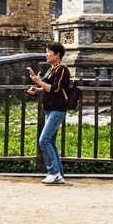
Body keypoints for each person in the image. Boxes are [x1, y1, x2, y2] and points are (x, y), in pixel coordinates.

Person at [27, 41, 70, 185]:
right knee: (50, 141)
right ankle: (59, 175)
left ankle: (53, 172)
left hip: (57, 109)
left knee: (43, 140)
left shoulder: (62, 69)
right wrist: (37, 89)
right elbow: (47, 88)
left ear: (57, 55)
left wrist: (39, 83)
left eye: (49, 52)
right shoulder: (52, 69)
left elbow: (55, 89)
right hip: (50, 109)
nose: (46, 54)